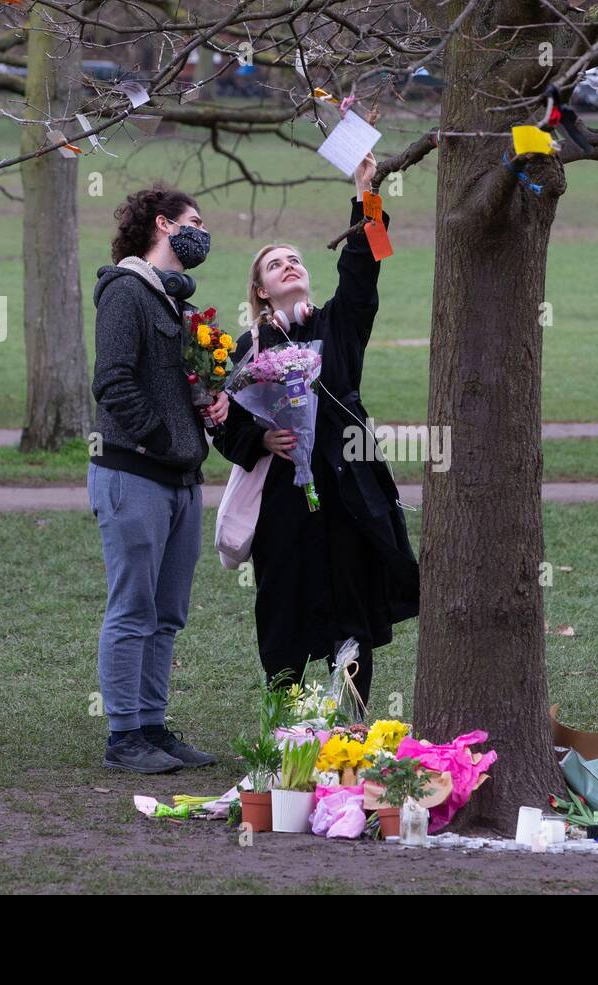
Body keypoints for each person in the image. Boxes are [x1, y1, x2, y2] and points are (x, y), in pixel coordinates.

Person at [213, 154, 418, 707]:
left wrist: (365, 192)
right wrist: (260, 439)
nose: (289, 265)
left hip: (348, 484)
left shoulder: (337, 323)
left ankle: (352, 725)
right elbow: (221, 420)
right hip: (284, 501)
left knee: (351, 603)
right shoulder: (245, 349)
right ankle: (286, 731)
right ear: (259, 290)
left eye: (296, 259)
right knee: (285, 608)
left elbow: (365, 264)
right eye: (275, 263)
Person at [88, 183, 228, 773]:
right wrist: (166, 437)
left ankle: (151, 725)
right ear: (164, 225)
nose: (202, 233)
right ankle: (124, 738)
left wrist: (207, 405)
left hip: (180, 479)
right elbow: (113, 382)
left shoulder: (175, 303)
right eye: (194, 221)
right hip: (134, 473)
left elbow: (170, 385)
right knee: (132, 608)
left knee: (167, 612)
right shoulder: (125, 292)